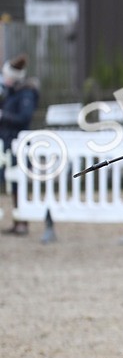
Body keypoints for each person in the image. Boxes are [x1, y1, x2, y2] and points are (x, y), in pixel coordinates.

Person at [0, 54, 40, 236]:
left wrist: (3, 116)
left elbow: (24, 118)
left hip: (21, 145)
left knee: (19, 185)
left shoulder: (26, 93)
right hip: (8, 144)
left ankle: (23, 222)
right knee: (12, 183)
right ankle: (17, 221)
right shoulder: (11, 93)